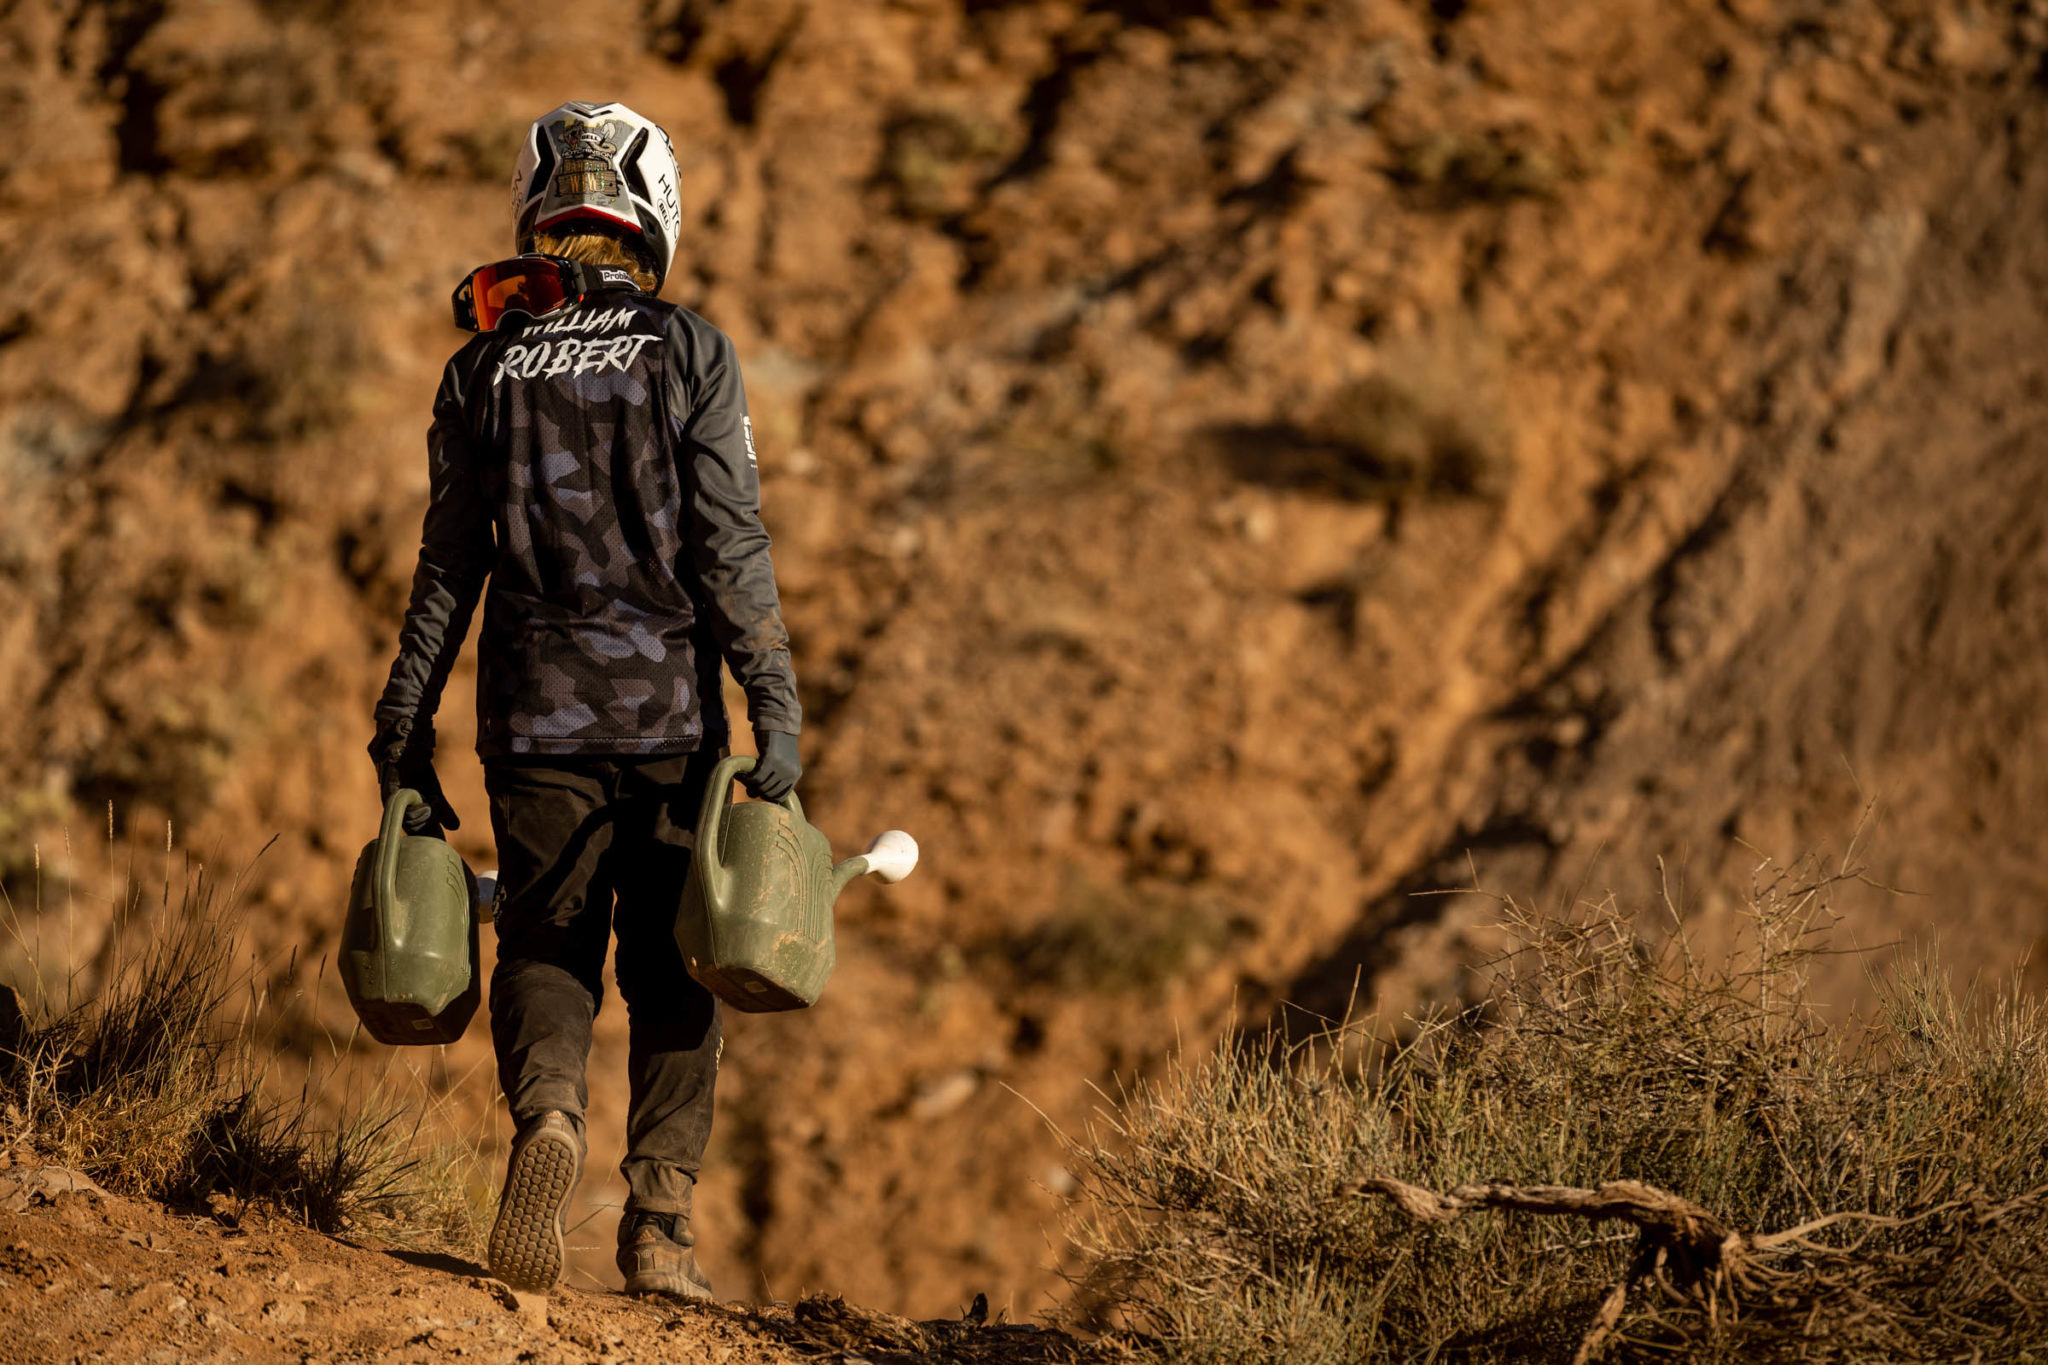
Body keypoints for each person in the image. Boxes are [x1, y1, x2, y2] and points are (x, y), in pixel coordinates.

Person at [369, 100, 802, 1300]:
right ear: (649, 209)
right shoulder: (690, 351)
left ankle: (548, 1119)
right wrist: (773, 701)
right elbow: (729, 544)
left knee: (548, 943)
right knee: (676, 971)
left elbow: (448, 568)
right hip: (671, 717)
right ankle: (659, 1227)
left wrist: (402, 733)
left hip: (530, 721)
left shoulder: (479, 369)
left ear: (540, 201)